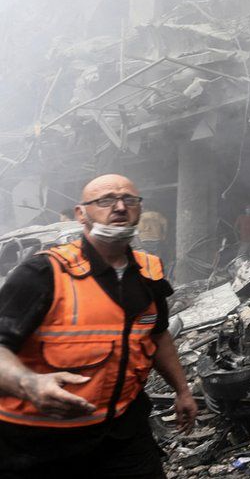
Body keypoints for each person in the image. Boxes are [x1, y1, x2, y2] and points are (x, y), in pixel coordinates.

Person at [0, 174, 196, 477]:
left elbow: (157, 335)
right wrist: (31, 384)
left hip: (123, 434)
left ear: (139, 209)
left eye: (129, 200)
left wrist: (182, 390)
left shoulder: (149, 272)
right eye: (105, 200)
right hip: (39, 442)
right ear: (81, 213)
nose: (119, 207)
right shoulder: (42, 272)